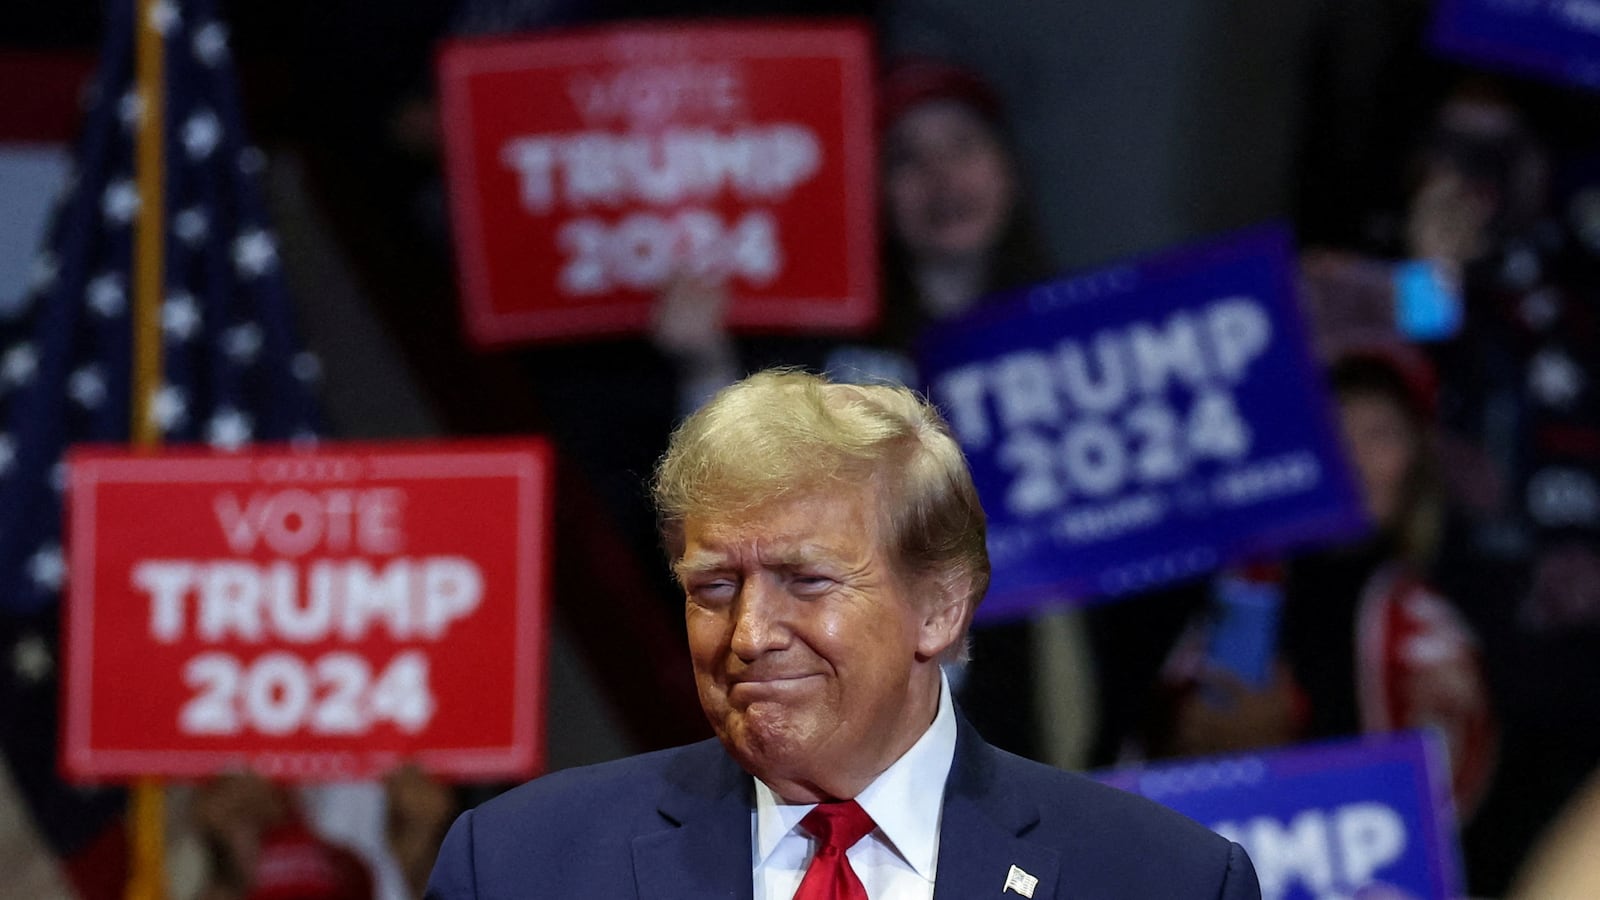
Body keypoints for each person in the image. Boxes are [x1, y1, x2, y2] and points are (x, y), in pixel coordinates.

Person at [425, 369, 1260, 899]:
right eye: (713, 588)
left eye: (807, 581)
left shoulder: (1162, 880)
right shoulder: (518, 867)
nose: (749, 634)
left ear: (938, 607)